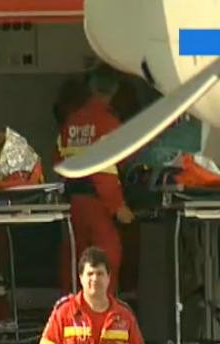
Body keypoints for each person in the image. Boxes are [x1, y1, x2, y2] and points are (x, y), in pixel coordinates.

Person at [55, 65, 135, 294]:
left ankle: (73, 310)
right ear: (115, 90)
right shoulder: (108, 122)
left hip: (74, 204)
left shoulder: (71, 122)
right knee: (107, 259)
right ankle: (103, 312)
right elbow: (106, 170)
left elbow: (58, 161)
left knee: (74, 261)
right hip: (99, 204)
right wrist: (118, 206)